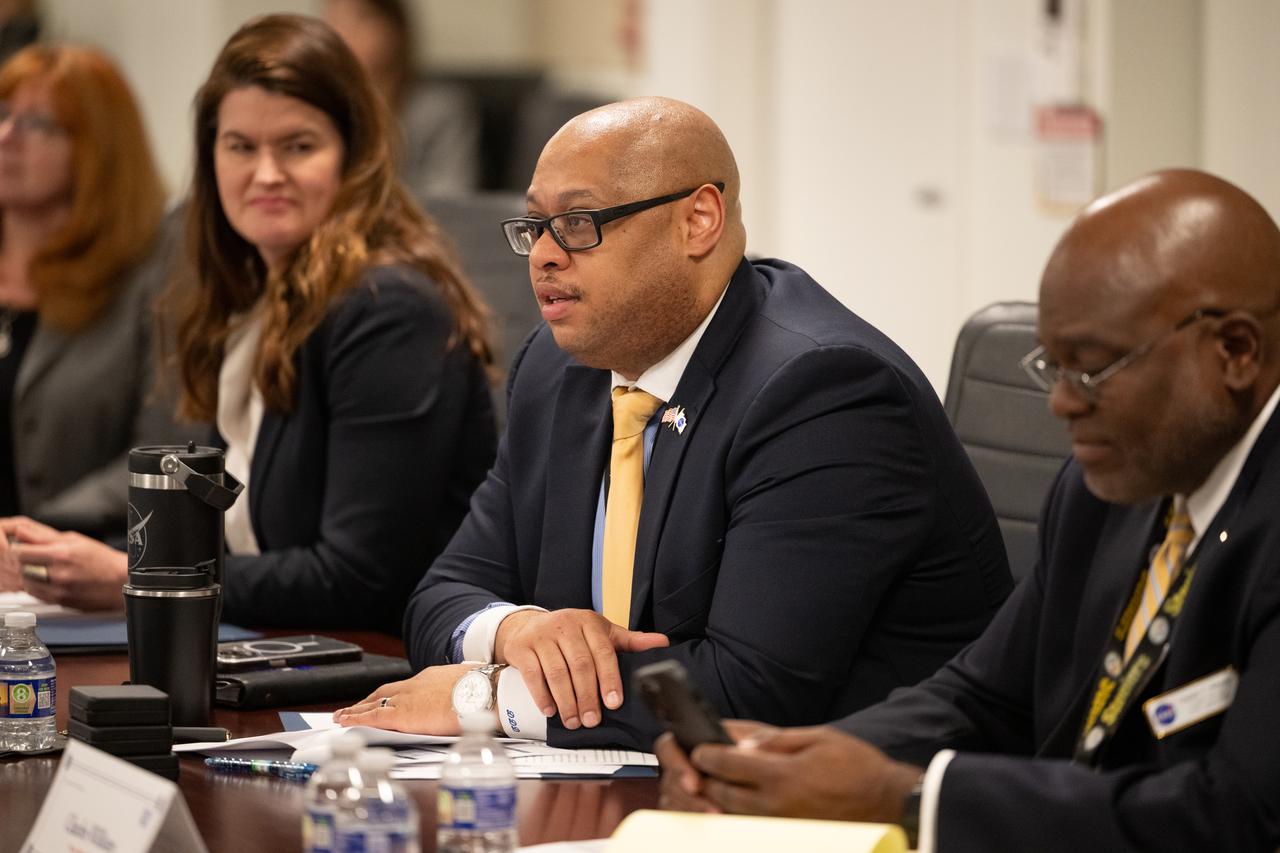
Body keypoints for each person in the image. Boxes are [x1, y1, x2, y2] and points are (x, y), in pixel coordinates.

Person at [333, 96, 1012, 749]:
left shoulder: (822, 391)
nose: (543, 254)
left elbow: (747, 688)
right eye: (535, 225)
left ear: (698, 220)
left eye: (578, 222)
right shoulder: (558, 366)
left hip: (850, 795)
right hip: (633, 775)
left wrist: (484, 697)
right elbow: (439, 596)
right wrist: (516, 630)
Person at [656, 169, 1280, 853]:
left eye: (1093, 368)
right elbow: (985, 697)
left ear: (1236, 351)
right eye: (1054, 367)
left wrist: (905, 799)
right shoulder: (1104, 488)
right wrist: (789, 762)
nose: (1061, 403)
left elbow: (1238, 818)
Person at [0, 14, 497, 629]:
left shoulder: (387, 310)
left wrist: (134, 571)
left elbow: (359, 578)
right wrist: (67, 557)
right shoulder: (248, 299)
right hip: (269, 641)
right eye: (240, 147)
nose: (266, 174)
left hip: (375, 661)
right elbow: (229, 529)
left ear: (353, 157)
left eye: (298, 146)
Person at [0, 43, 179, 552]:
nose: (7, 137)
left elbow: (165, 453)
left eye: (38, 124)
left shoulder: (153, 279)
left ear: (98, 149)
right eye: (3, 114)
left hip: (75, 558)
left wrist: (27, 534)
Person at [324, 0, 481, 197]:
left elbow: (452, 194)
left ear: (395, 28)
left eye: (361, 18)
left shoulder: (439, 107)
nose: (342, 32)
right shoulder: (322, 103)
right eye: (335, 20)